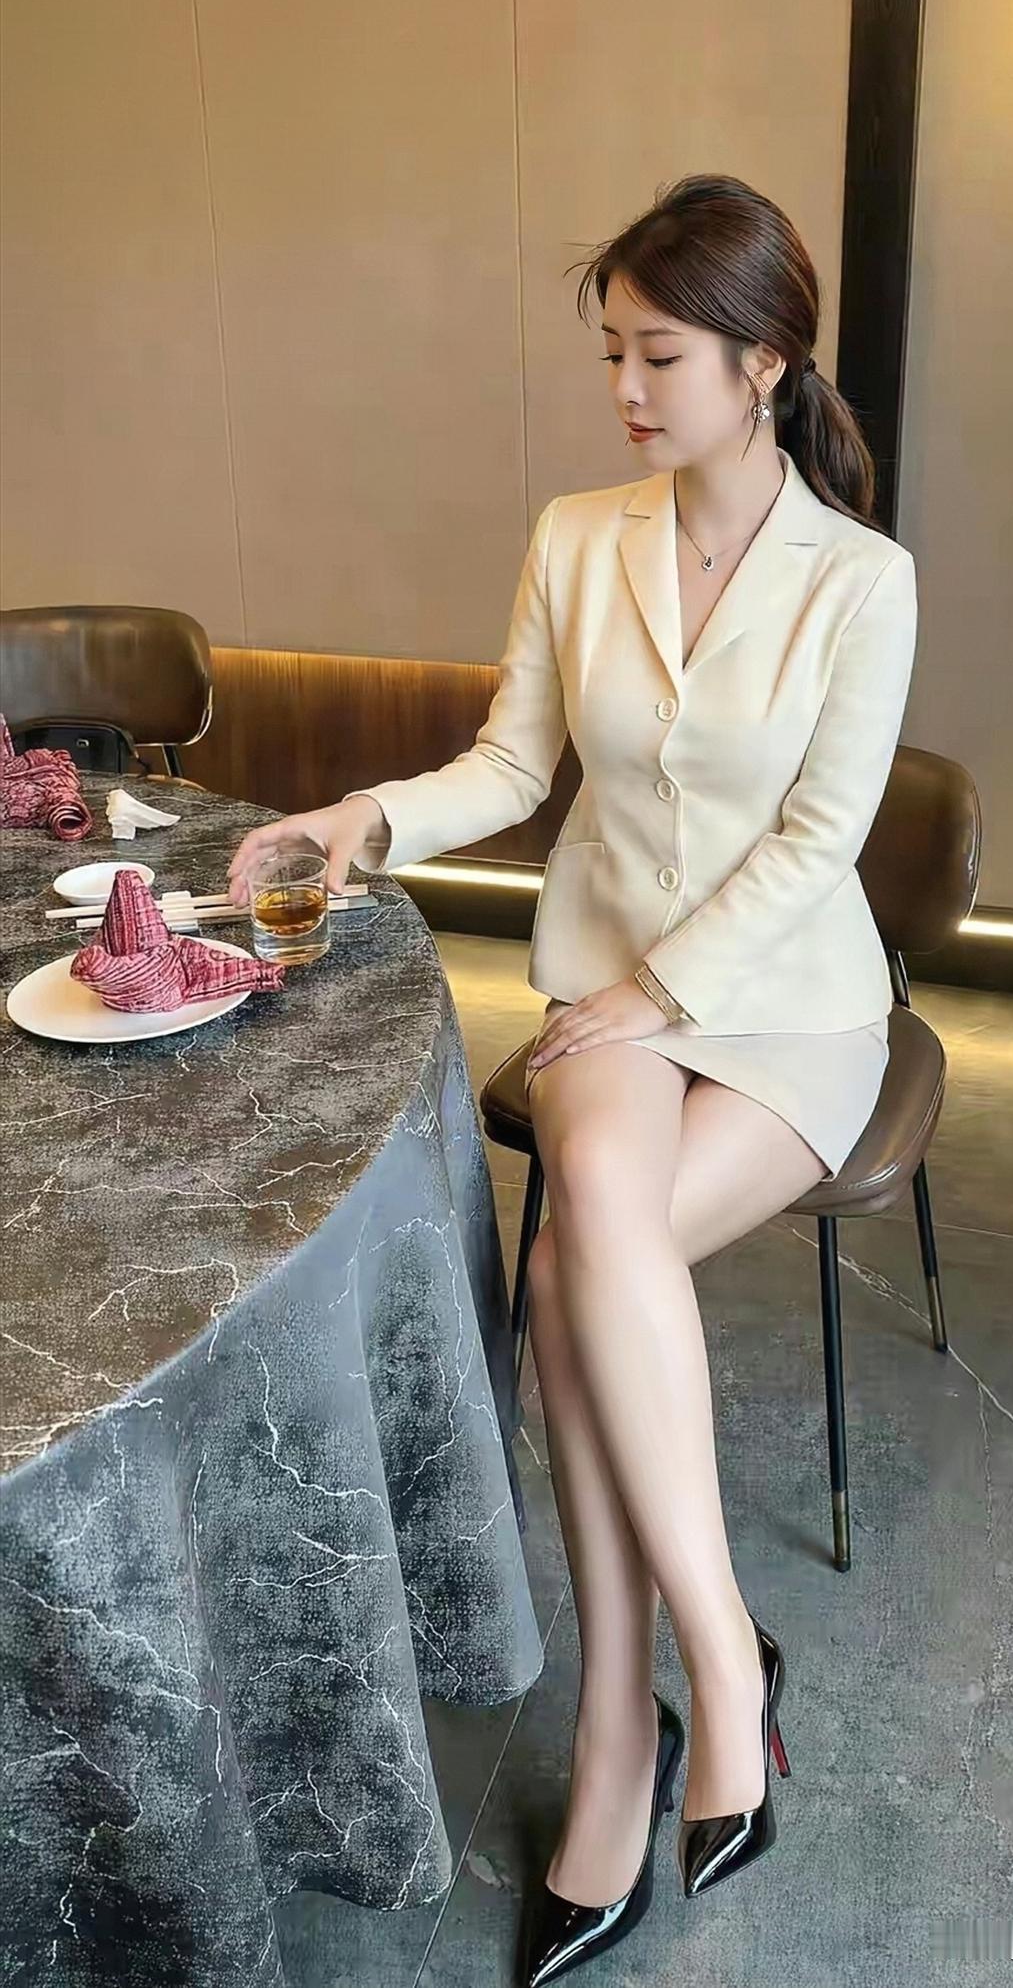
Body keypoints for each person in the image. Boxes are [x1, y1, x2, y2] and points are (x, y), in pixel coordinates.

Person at [226, 172, 917, 1986]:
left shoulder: (863, 580)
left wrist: (665, 989)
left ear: (763, 365)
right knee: (593, 1231)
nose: (624, 387)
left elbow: (822, 842)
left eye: (660, 354)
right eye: (612, 349)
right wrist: (367, 813)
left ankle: (633, 1717)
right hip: (612, 977)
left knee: (566, 1269)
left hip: (783, 1001)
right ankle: (714, 1662)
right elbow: (514, 764)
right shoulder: (577, 535)